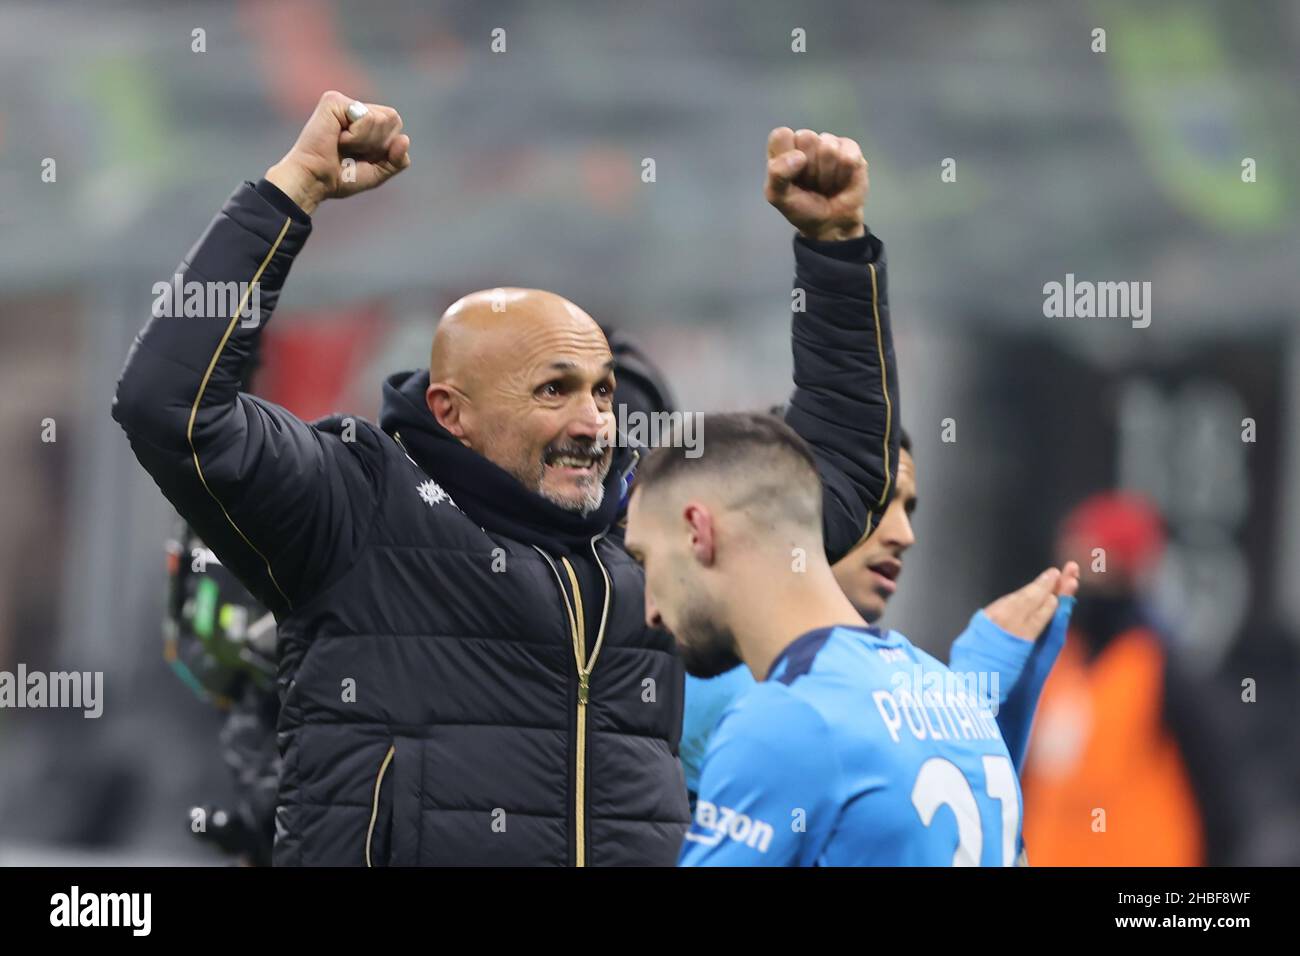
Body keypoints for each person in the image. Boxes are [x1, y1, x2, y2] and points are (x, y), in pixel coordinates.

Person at [112, 92, 900, 865]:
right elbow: (167, 405)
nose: (594, 421)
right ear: (451, 411)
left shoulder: (650, 530)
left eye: (601, 391)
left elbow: (833, 484)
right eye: (553, 390)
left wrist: (835, 250)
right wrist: (293, 191)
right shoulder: (354, 501)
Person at [623, 413, 1079, 865]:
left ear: (698, 532)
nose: (651, 610)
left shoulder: (783, 717)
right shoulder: (954, 697)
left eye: (646, 560)